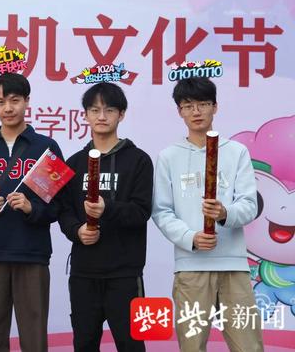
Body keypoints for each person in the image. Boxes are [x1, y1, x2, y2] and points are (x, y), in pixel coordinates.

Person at [152, 77, 264, 352]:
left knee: (248, 346)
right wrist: (190, 237)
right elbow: (161, 211)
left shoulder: (236, 152)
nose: (196, 111)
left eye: (203, 104)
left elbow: (249, 204)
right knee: (192, 346)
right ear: (179, 111)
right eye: (188, 106)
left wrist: (225, 213)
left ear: (215, 107)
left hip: (234, 267)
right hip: (191, 268)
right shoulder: (169, 156)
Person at [0, 73, 63, 352]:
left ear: (27, 101)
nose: (8, 108)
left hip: (32, 252)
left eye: (15, 100)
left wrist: (33, 208)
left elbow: (59, 206)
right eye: (0, 102)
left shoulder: (45, 147)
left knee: (33, 333)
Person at [57, 82, 153, 351]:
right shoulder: (74, 162)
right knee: (84, 343)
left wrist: (107, 208)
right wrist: (77, 231)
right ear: (85, 115)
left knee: (131, 344)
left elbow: (142, 211)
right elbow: (63, 210)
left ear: (121, 114)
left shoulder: (139, 160)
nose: (101, 116)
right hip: (83, 273)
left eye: (109, 110)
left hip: (125, 274)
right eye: (94, 110)